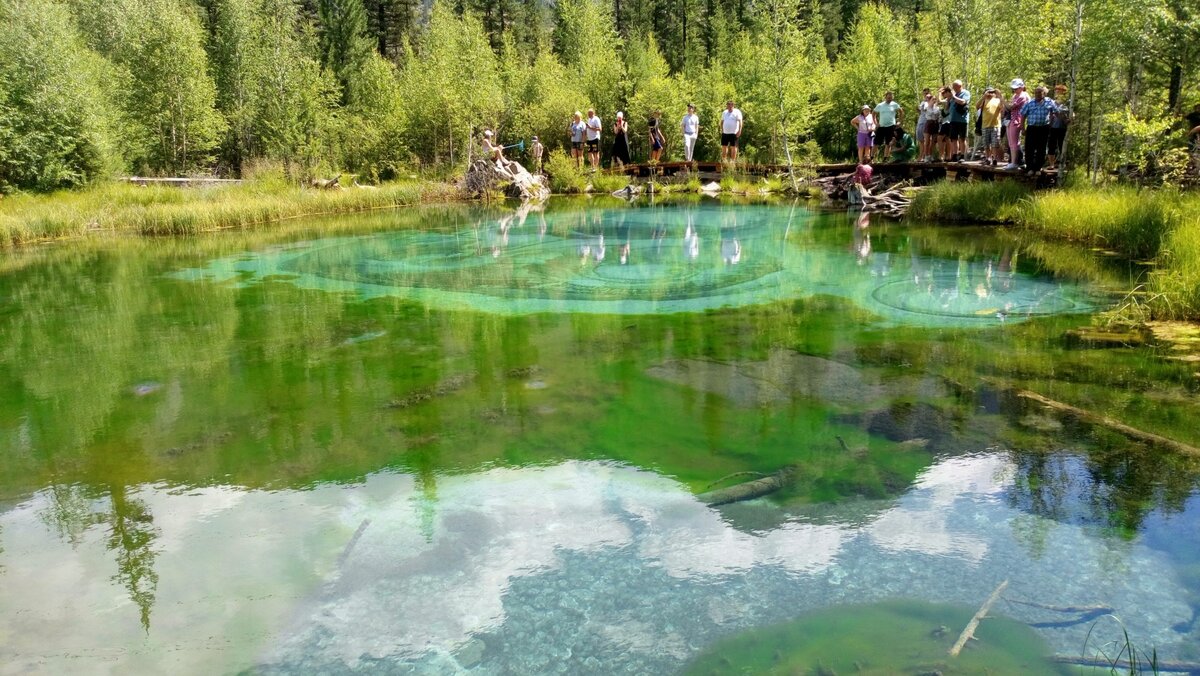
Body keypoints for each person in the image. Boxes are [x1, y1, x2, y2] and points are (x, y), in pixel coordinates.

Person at [1020, 85, 1058, 175]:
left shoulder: (1049, 102)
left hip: (1044, 128)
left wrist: (1051, 124)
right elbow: (1023, 116)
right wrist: (1023, 128)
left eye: (1039, 92)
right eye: (1036, 92)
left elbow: (1055, 112)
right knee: (1029, 148)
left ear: (1043, 93)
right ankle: (1029, 168)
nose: (1037, 94)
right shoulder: (1030, 103)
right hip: (1032, 128)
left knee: (1041, 148)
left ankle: (1038, 168)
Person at [1004, 78, 1030, 170]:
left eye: (1016, 88)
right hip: (1011, 120)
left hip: (1016, 120)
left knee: (1014, 143)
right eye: (1013, 88)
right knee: (1011, 143)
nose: (1014, 90)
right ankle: (1015, 161)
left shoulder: (1023, 96)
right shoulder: (1015, 95)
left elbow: (1011, 107)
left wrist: (1001, 99)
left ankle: (1015, 162)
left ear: (1022, 87)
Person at [1046, 84, 1071, 169]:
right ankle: (1051, 164)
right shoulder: (1052, 102)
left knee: (1062, 146)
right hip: (1052, 127)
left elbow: (1072, 114)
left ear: (1064, 92)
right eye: (1056, 91)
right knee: (1051, 146)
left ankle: (1062, 163)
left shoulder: (1068, 103)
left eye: (1060, 91)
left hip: (1062, 127)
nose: (1057, 92)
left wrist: (1071, 118)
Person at [874, 91, 903, 161]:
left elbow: (901, 112)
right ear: (886, 97)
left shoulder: (895, 104)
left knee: (888, 143)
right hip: (881, 126)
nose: (890, 98)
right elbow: (873, 113)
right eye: (888, 97)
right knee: (877, 143)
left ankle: (885, 158)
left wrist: (899, 121)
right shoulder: (880, 105)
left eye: (891, 97)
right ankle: (872, 158)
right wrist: (875, 122)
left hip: (891, 126)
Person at [946, 80, 971, 161]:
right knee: (953, 138)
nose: (953, 88)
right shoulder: (954, 94)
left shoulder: (965, 93)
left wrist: (953, 96)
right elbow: (947, 108)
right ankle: (954, 154)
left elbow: (963, 102)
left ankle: (963, 155)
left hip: (962, 120)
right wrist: (948, 99)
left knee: (962, 138)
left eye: (954, 87)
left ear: (959, 86)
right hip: (953, 119)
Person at [980, 88, 1004, 166]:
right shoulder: (983, 100)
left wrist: (1000, 95)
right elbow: (977, 106)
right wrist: (983, 96)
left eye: (991, 92)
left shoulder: (997, 100)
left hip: (996, 125)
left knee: (995, 143)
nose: (990, 93)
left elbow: (1003, 108)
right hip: (985, 125)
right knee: (986, 143)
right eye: (988, 92)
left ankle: (994, 159)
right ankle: (988, 158)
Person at [922, 91, 942, 161]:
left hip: (935, 124)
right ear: (930, 100)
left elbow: (939, 117)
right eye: (932, 99)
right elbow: (923, 109)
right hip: (928, 124)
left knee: (933, 142)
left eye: (935, 99)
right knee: (927, 141)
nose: (934, 100)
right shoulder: (926, 106)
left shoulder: (937, 108)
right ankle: (926, 156)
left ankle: (930, 155)